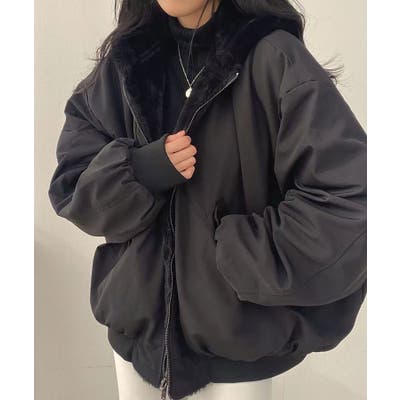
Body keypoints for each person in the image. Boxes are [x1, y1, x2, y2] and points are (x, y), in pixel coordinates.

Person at [48, 0, 367, 399]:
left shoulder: (273, 57)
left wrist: (235, 254)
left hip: (238, 345)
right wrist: (139, 171)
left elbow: (351, 198)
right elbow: (73, 181)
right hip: (137, 338)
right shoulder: (129, 61)